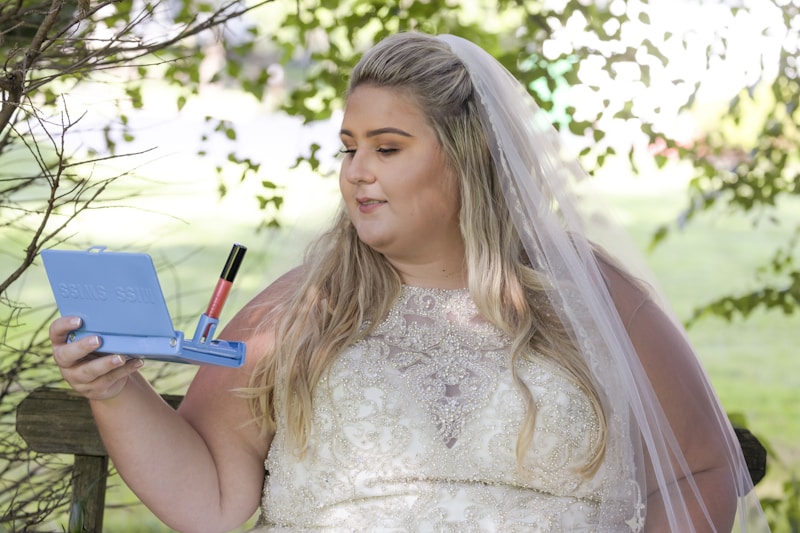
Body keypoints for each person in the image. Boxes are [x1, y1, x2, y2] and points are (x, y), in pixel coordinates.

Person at [49, 32, 769, 532]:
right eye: (349, 147)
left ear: (471, 158)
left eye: (387, 148)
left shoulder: (596, 300)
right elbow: (209, 495)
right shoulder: (301, 309)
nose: (357, 170)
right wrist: (112, 387)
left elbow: (701, 465)